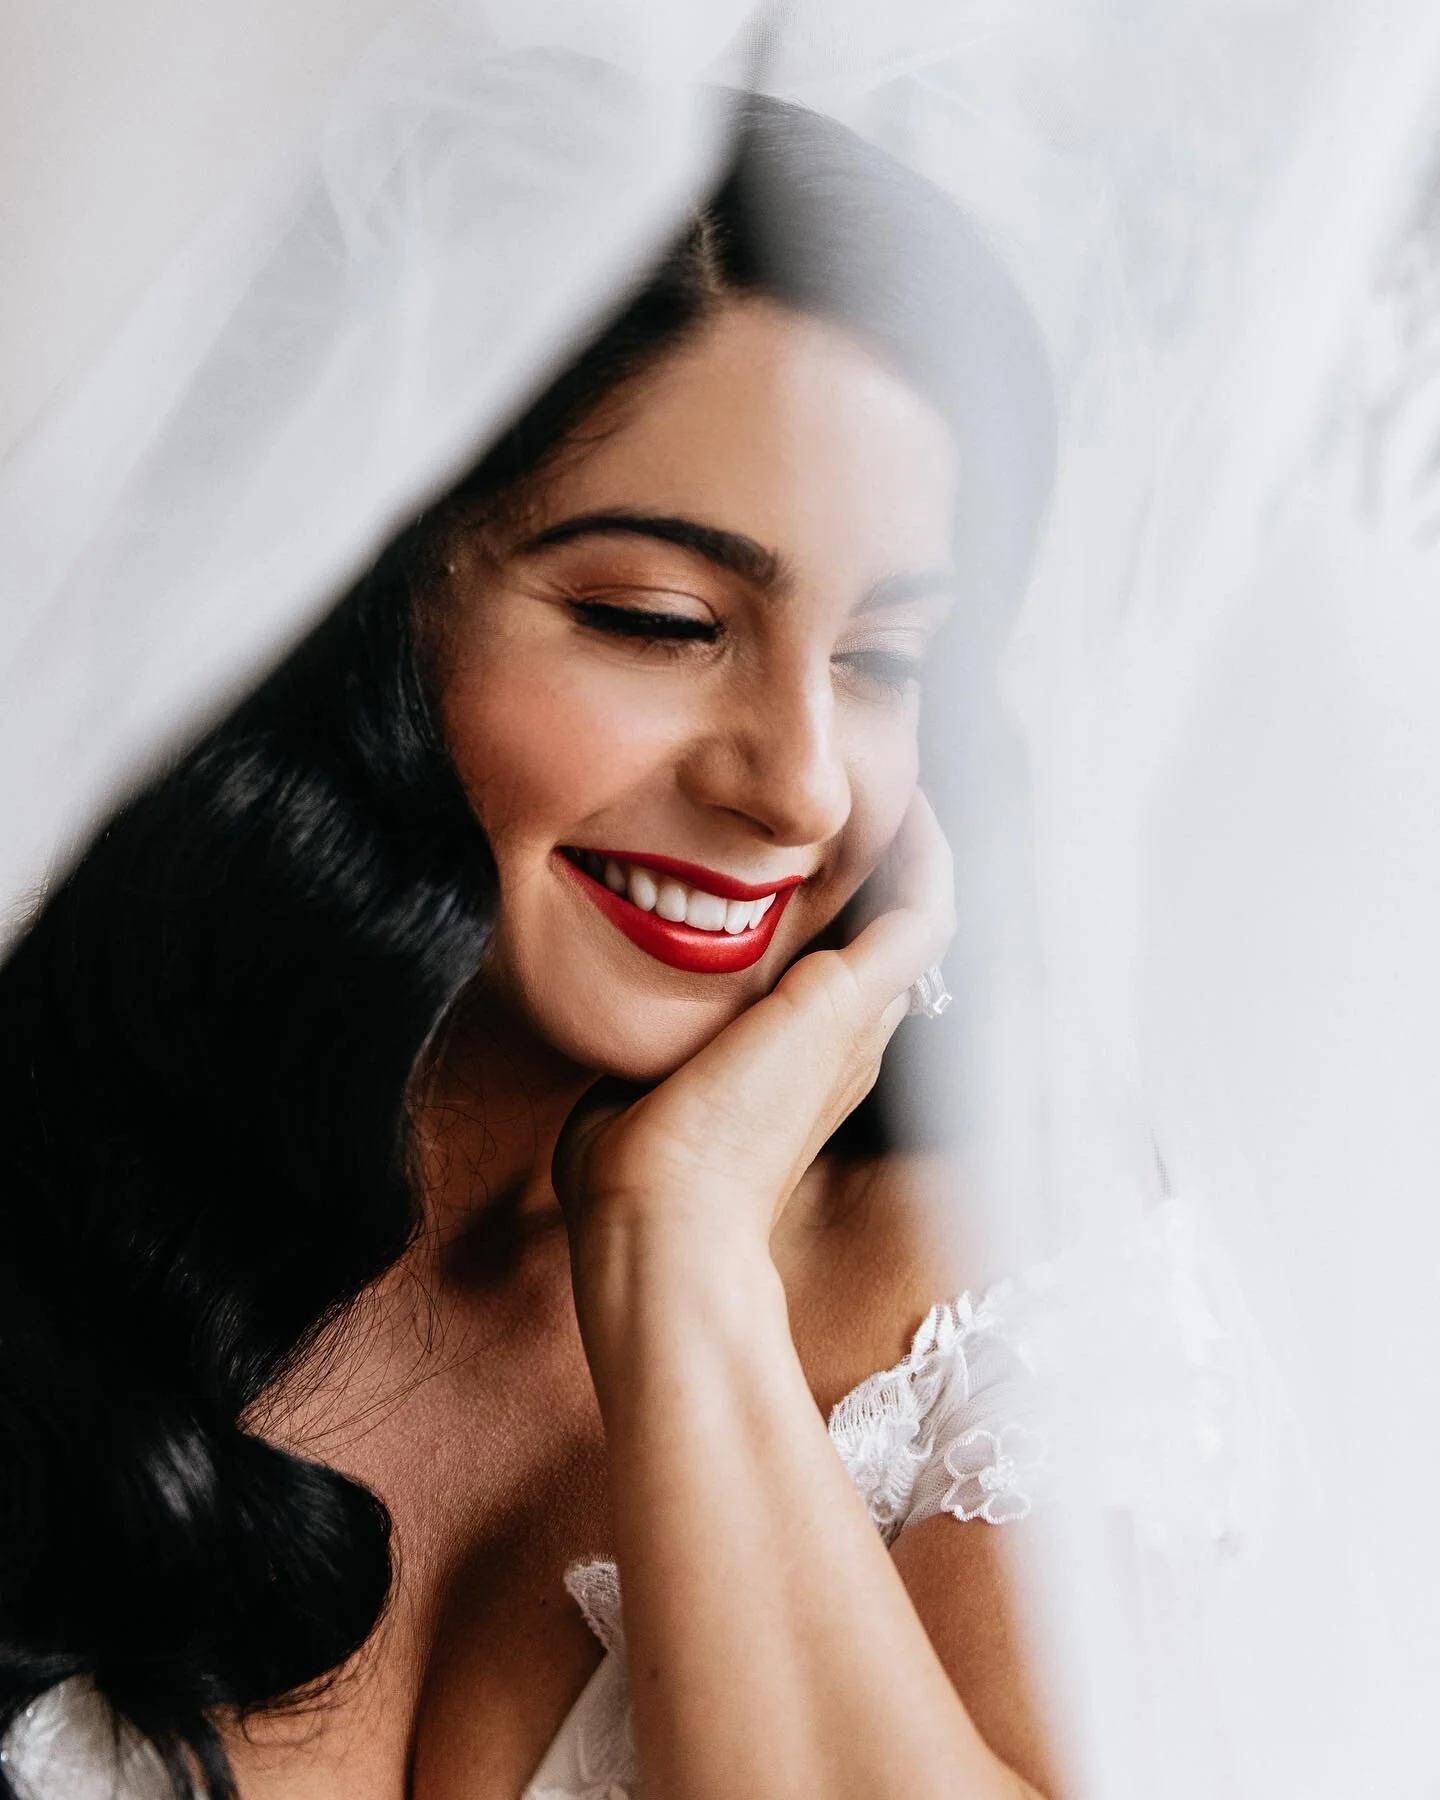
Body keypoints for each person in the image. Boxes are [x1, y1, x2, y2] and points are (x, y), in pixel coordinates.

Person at [0, 92, 1056, 1800]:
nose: (794, 783)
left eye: (885, 662)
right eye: (661, 624)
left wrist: (685, 1242)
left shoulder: (1011, 1314)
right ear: (340, 593)